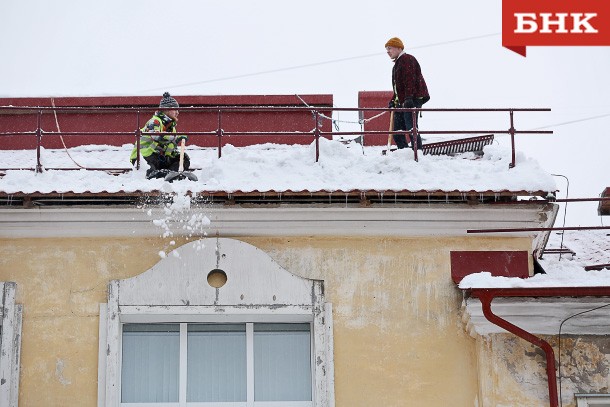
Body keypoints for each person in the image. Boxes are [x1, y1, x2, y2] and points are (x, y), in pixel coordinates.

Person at [130, 92, 190, 179]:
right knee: (150, 171)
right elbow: (156, 136)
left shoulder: (171, 126)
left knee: (183, 158)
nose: (177, 113)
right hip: (144, 156)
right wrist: (176, 137)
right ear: (166, 110)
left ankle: (170, 174)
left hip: (159, 157)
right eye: (175, 110)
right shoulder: (155, 121)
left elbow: (170, 144)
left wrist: (175, 152)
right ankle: (157, 174)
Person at [385, 37, 430, 150]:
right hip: (403, 101)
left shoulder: (407, 59)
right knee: (397, 130)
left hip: (412, 99)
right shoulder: (396, 65)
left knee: (411, 128)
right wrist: (393, 100)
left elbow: (410, 79)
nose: (388, 52)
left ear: (399, 47)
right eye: (386, 50)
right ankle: (404, 153)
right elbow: (398, 88)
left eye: (390, 48)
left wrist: (409, 97)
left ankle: (417, 152)